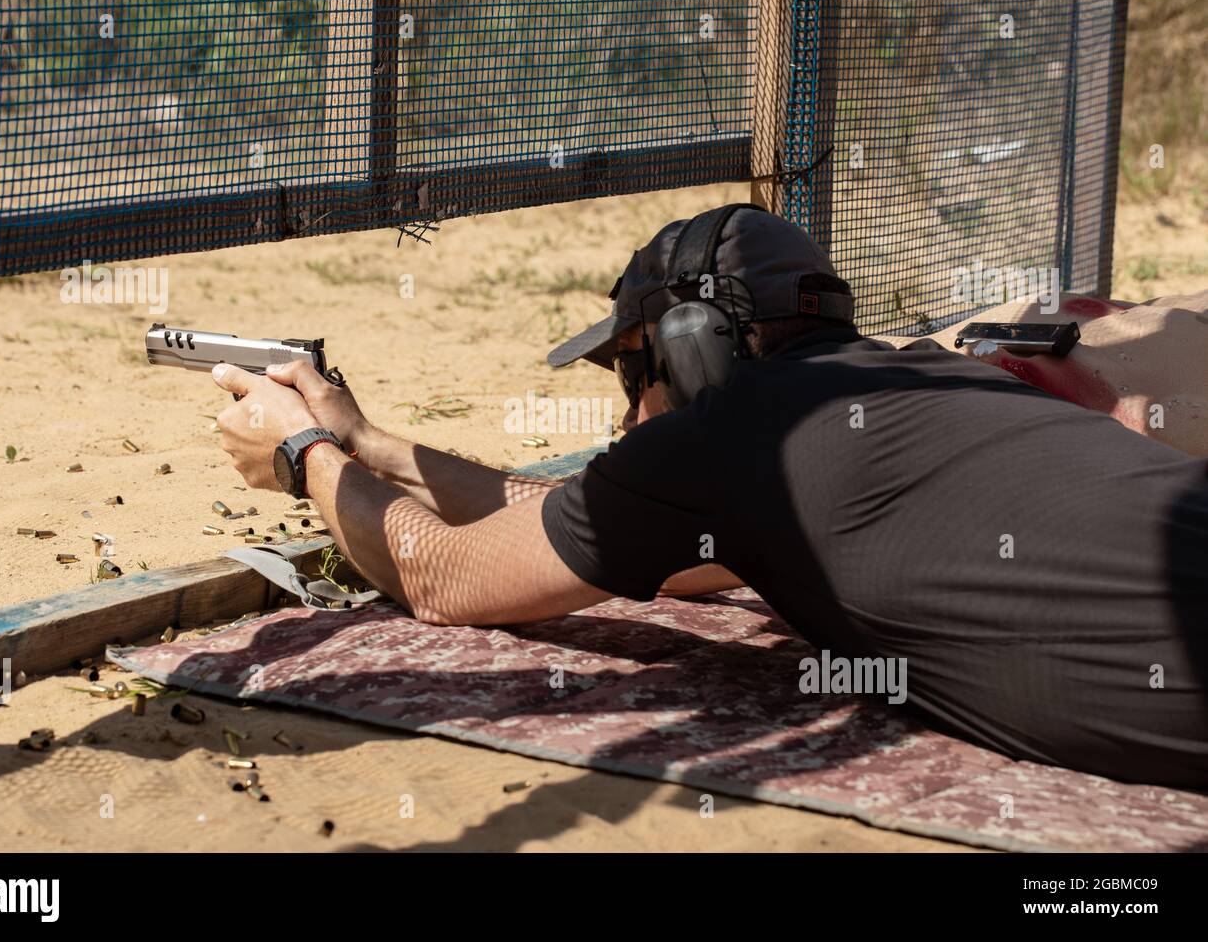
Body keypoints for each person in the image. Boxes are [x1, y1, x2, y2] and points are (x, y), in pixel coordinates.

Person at [210, 204, 1208, 788]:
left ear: (697, 349)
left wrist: (299, 455)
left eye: (634, 369)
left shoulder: (740, 433)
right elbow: (572, 524)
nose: (629, 411)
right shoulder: (936, 379)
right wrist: (368, 439)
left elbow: (440, 575)